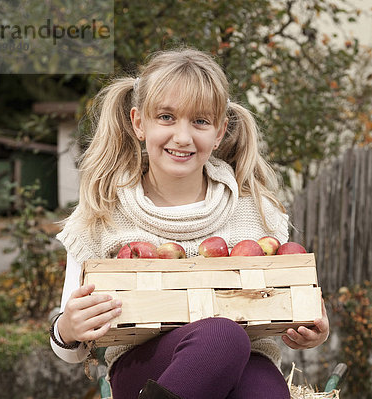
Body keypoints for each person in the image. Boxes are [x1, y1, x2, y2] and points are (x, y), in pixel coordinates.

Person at [49, 48, 329, 399]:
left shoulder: (254, 213)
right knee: (222, 337)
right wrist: (69, 327)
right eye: (166, 117)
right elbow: (68, 348)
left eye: (199, 121)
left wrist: (313, 325)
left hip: (248, 360)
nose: (182, 137)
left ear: (219, 132)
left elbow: (287, 297)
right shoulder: (103, 214)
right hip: (145, 369)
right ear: (139, 123)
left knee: (264, 387)